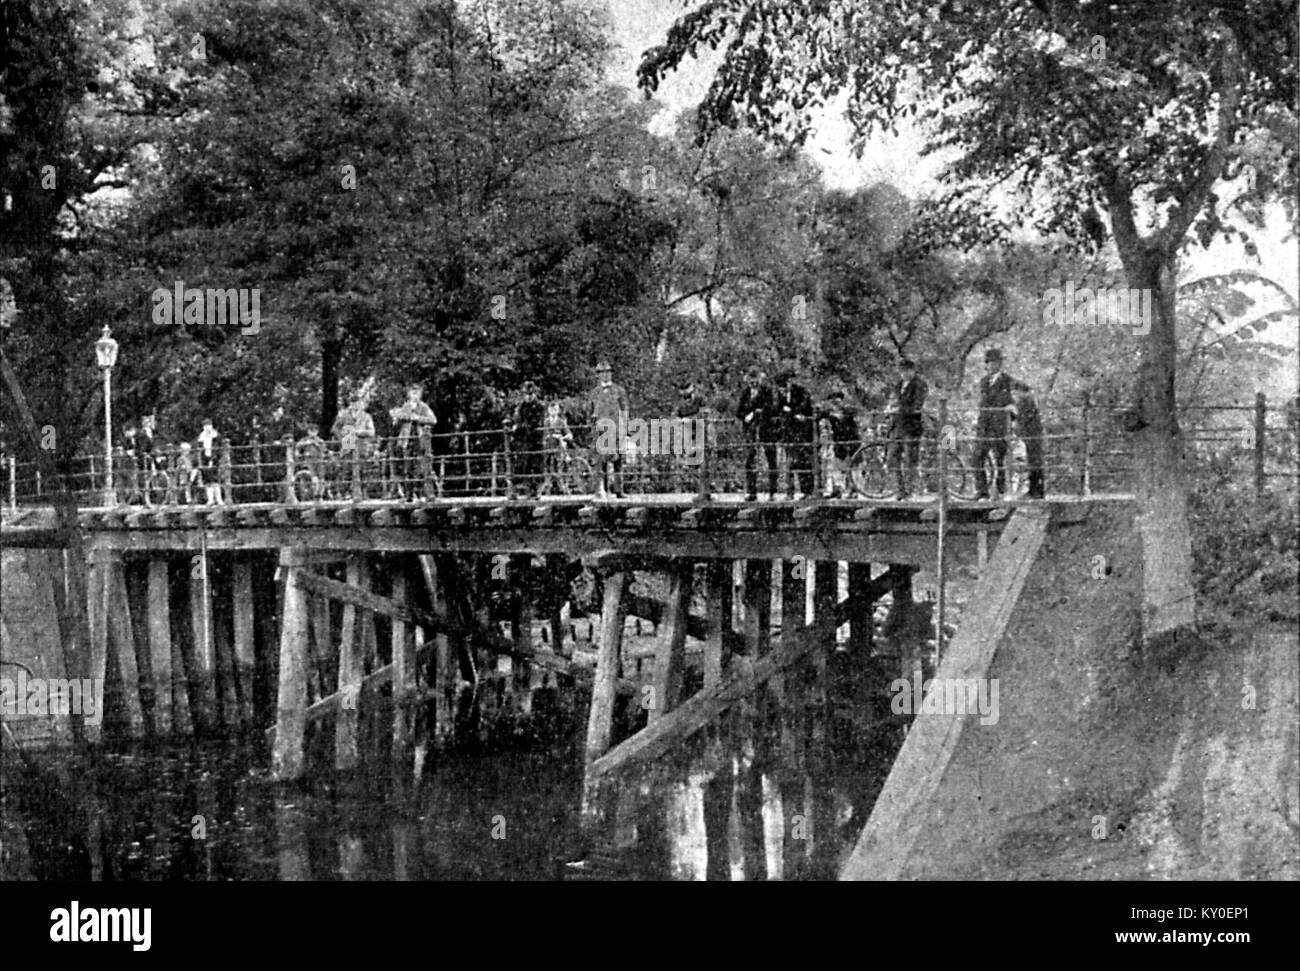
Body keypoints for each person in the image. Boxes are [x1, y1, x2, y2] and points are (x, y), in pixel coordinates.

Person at [972, 348, 1017, 499]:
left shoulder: (1007, 381)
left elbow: (1008, 401)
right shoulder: (984, 381)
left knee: (1000, 459)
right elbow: (983, 403)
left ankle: (1001, 490)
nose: (990, 366)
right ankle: (981, 490)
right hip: (984, 425)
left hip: (999, 425)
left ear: (999, 364)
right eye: (988, 363)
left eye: (993, 363)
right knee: (977, 457)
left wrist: (1010, 409)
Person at [888, 358, 928, 500]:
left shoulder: (920, 385)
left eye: (907, 371)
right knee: (892, 458)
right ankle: (900, 491)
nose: (904, 374)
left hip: (911, 426)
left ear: (912, 370)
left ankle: (911, 492)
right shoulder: (898, 385)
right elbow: (893, 401)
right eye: (901, 371)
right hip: (897, 426)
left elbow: (917, 406)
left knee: (911, 460)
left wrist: (899, 409)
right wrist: (890, 408)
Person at [738, 366, 779, 501]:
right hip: (750, 430)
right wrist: (747, 416)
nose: (753, 383)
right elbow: (739, 411)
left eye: (755, 380)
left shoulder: (767, 391)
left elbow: (772, 408)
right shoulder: (745, 393)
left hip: (766, 429)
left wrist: (757, 412)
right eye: (751, 381)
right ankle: (752, 491)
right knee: (750, 460)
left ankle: (772, 491)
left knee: (770, 459)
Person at [389, 384, 438, 500]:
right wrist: (398, 418)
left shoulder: (424, 407)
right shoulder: (405, 407)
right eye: (412, 393)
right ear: (409, 394)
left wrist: (418, 418)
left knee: (421, 468)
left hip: (419, 440)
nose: (415, 396)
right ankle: (408, 495)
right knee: (407, 468)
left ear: (420, 395)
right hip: (406, 441)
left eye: (417, 393)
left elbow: (433, 420)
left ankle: (422, 493)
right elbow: (396, 422)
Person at [589, 361, 629, 498]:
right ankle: (604, 489)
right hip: (601, 431)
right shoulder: (594, 393)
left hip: (616, 429)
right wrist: (594, 431)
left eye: (607, 372)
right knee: (602, 461)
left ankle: (619, 489)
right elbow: (591, 413)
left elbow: (624, 410)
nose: (605, 375)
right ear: (598, 376)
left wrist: (625, 428)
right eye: (602, 373)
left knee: (618, 460)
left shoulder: (619, 390)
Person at [775, 369, 815, 499]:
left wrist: (790, 411)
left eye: (784, 386)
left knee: (804, 462)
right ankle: (790, 491)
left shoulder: (801, 392)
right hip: (789, 432)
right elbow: (780, 409)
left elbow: (802, 408)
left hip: (803, 432)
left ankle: (807, 491)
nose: (782, 389)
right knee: (790, 463)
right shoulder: (780, 394)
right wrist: (790, 412)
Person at [333, 386, 377, 499]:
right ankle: (346, 493)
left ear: (361, 404)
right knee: (346, 469)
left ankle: (363, 493)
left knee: (363, 470)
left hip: (362, 445)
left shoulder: (366, 417)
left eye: (357, 403)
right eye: (353, 403)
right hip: (348, 444)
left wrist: (360, 432)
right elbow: (335, 429)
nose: (355, 405)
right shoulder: (344, 416)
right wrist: (342, 439)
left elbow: (372, 432)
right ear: (350, 404)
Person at [819, 390, 859, 498]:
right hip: (839, 441)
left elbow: (854, 413)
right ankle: (838, 489)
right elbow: (818, 416)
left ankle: (853, 489)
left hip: (851, 440)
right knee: (837, 465)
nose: (835, 403)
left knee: (851, 465)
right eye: (833, 401)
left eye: (837, 400)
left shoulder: (848, 410)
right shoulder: (829, 413)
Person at [510, 380, 546, 497]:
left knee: (535, 465)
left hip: (535, 440)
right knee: (520, 464)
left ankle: (535, 490)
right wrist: (518, 428)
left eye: (531, 394)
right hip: (523, 440)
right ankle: (515, 489)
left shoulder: (539, 406)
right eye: (526, 394)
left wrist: (521, 427)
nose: (528, 397)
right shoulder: (521, 407)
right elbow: (517, 420)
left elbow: (536, 423)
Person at [1011, 381, 1045, 499]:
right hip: (1033, 433)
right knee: (1034, 460)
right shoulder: (1031, 399)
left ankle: (1035, 491)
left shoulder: (1026, 399)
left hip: (1031, 434)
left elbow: (1022, 417)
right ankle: (1036, 490)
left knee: (1034, 461)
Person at [542, 401, 576, 495]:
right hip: (548, 446)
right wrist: (548, 437)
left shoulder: (561, 421)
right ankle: (549, 484)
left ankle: (562, 484)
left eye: (555, 410)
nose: (553, 411)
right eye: (551, 410)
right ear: (548, 411)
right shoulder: (546, 422)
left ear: (558, 411)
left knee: (560, 462)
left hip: (559, 445)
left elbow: (569, 433)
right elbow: (544, 435)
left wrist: (565, 436)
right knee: (547, 464)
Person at [197, 418, 221, 505]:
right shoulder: (201, 437)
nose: (207, 428)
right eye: (206, 426)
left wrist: (213, 459)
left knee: (215, 480)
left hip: (214, 459)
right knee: (207, 480)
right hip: (205, 459)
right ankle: (210, 499)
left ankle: (218, 499)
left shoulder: (216, 435)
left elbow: (217, 449)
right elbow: (200, 450)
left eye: (209, 425)